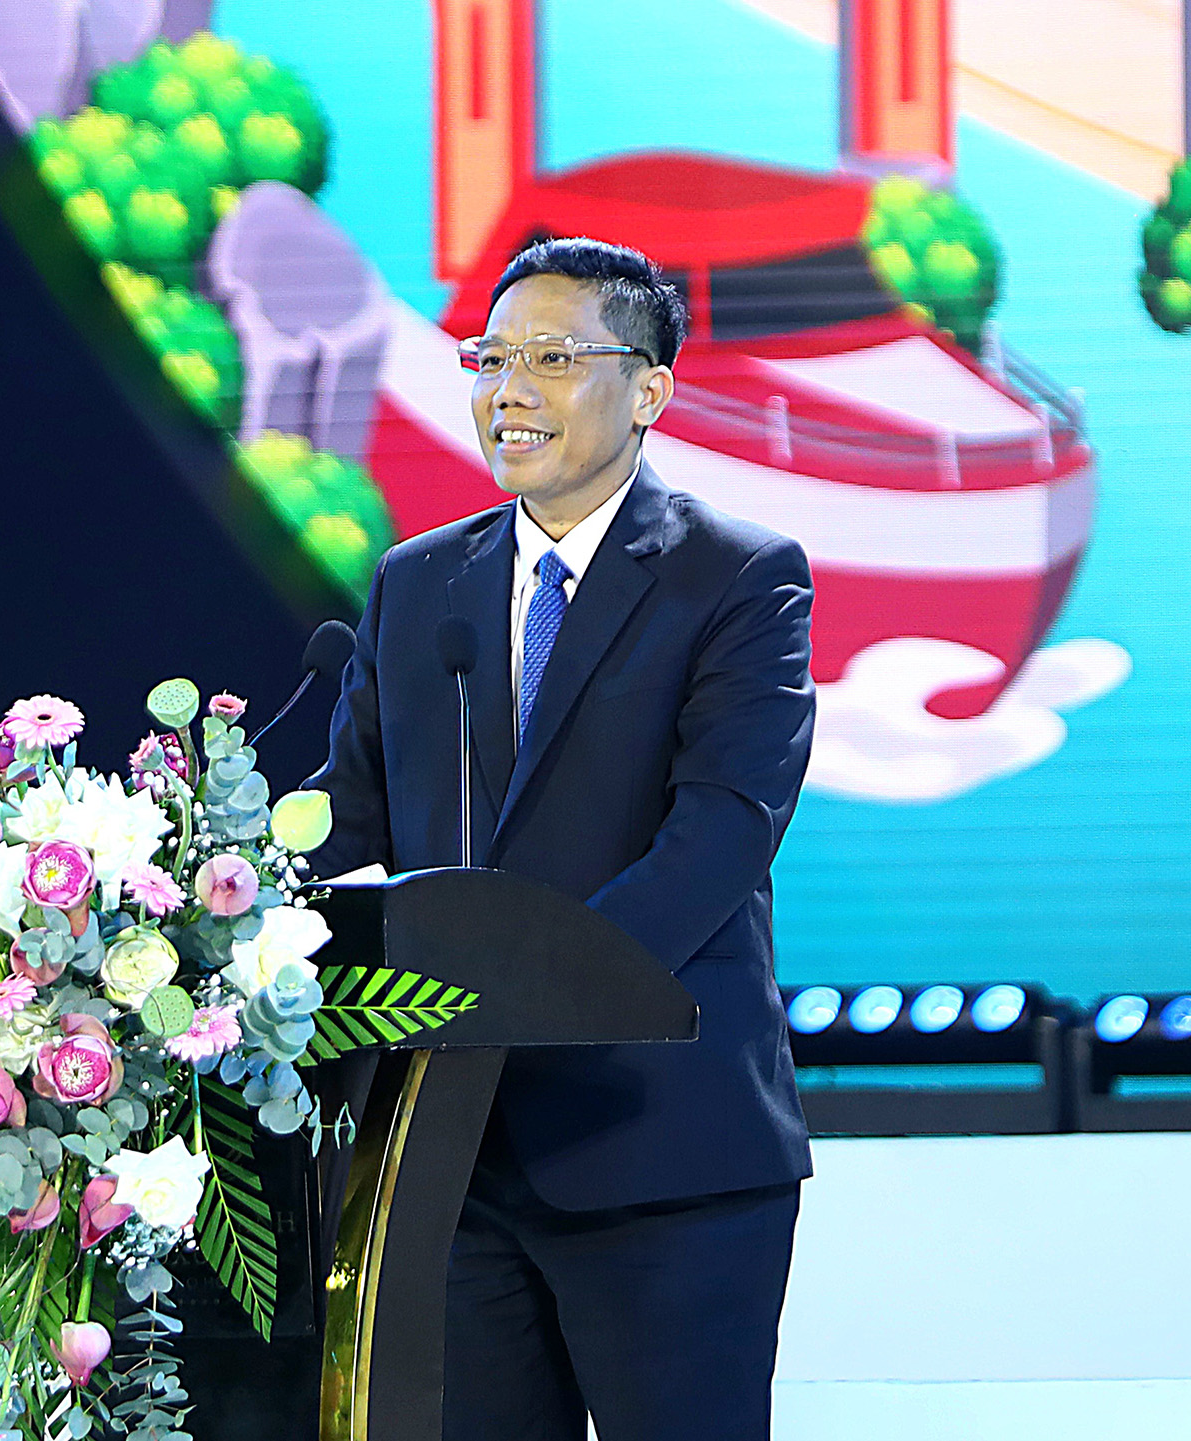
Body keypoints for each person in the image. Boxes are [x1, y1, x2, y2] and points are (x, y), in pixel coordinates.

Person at [304, 236, 815, 1441]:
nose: (508, 390)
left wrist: (518, 997)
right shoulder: (418, 584)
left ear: (648, 391)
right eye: (490, 359)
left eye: (552, 359)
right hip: (445, 1157)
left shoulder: (737, 578)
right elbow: (350, 821)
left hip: (662, 1149)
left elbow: (720, 835)